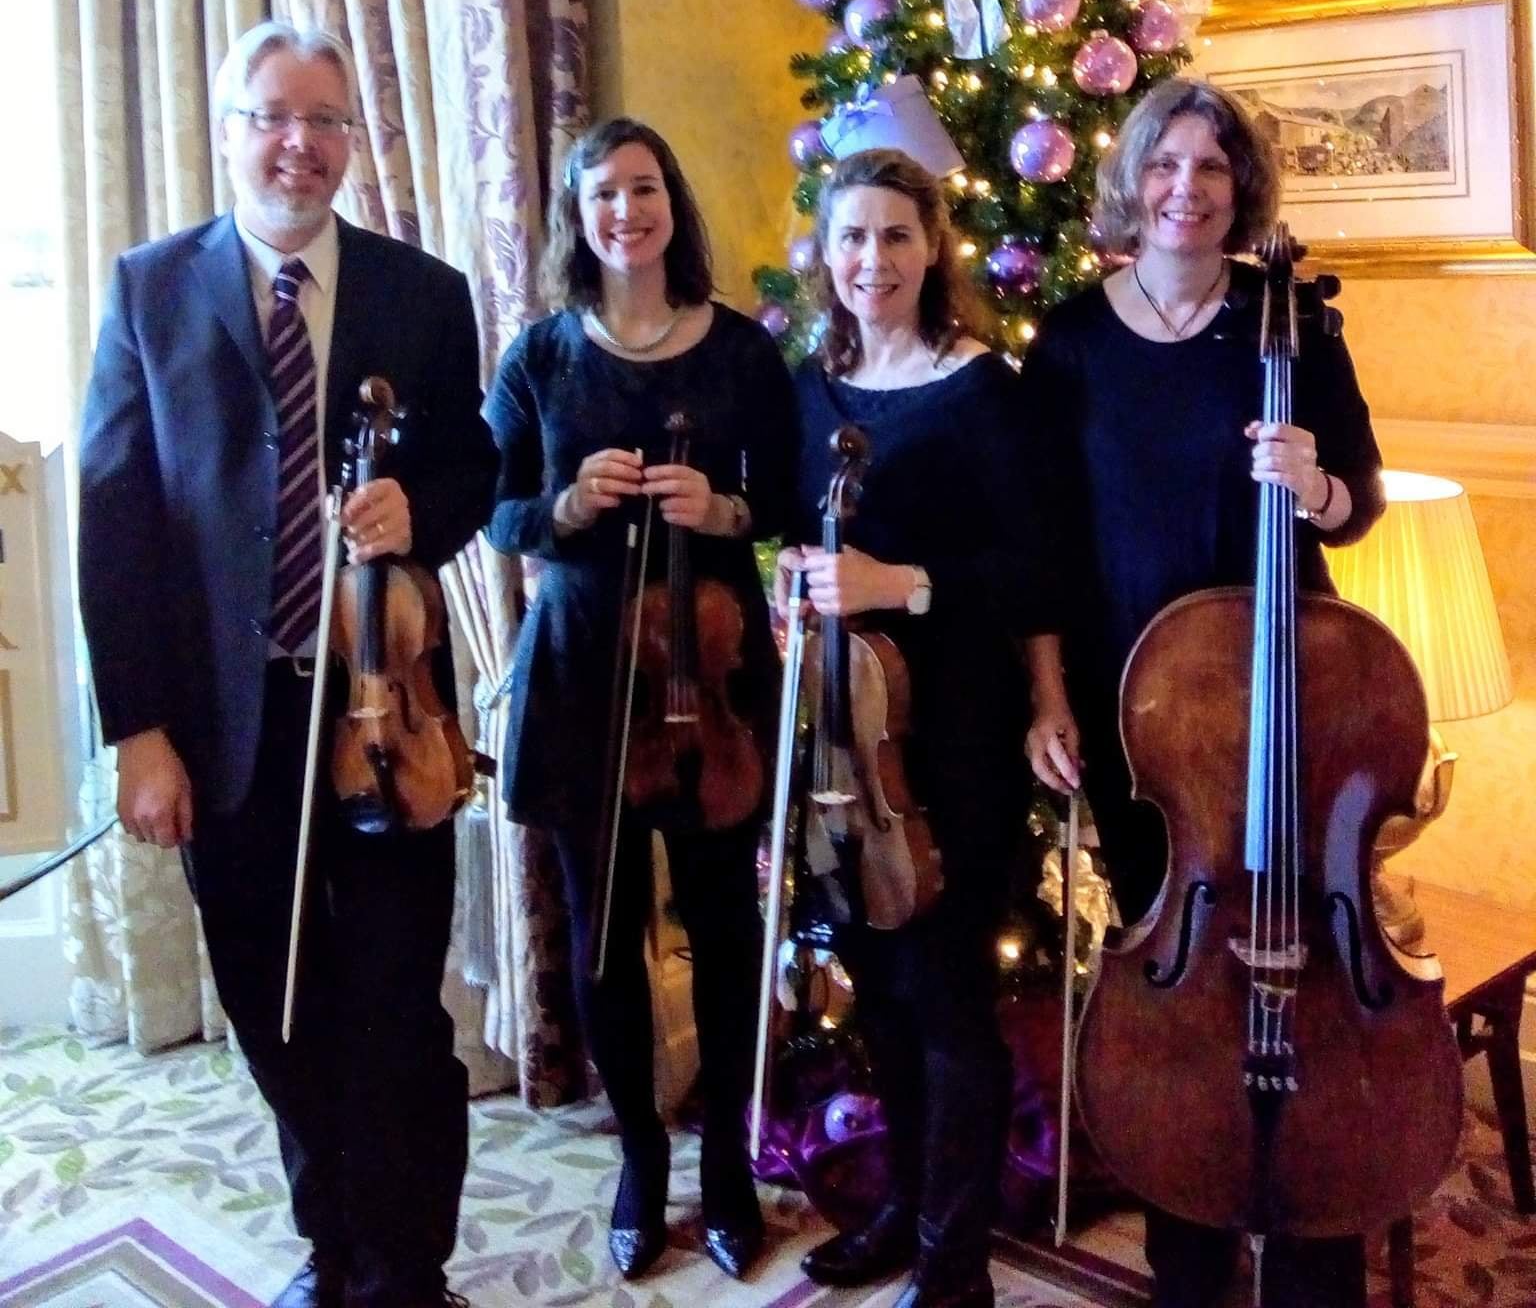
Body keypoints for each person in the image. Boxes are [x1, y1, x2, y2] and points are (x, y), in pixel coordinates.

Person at [78, 21, 497, 1308]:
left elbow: (472, 464)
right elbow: (116, 516)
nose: (298, 145)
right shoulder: (150, 287)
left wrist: (414, 509)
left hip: (382, 703)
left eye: (323, 120)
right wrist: (138, 728)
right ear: (231, 129)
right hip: (228, 716)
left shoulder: (421, 291)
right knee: (278, 1009)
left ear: (349, 142)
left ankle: (410, 1267)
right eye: (273, 116)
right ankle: (340, 1245)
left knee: (395, 1011)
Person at [1019, 77, 1386, 1308]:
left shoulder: (1291, 326)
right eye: (1166, 163)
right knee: (1175, 984)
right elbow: (1044, 543)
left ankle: (1314, 1225)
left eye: (1212, 168)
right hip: (1143, 717)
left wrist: (1315, 482)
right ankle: (1192, 1244)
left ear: (1242, 190)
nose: (1187, 187)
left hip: (1285, 705)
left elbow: (1364, 498)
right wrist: (1048, 694)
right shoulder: (1070, 340)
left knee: (1308, 963)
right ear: (1135, 178)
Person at [483, 117, 797, 1285]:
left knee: (724, 929)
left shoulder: (744, 354)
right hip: (579, 678)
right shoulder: (541, 357)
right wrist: (564, 505)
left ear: (675, 202)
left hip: (707, 683)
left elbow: (782, 499)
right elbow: (496, 507)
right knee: (603, 936)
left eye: (646, 186)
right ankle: (637, 1160)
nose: (628, 209)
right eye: (604, 192)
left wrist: (720, 511)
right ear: (578, 214)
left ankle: (724, 1168)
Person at [778, 147, 1048, 1308]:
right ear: (824, 253)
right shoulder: (812, 384)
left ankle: (956, 1263)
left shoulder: (985, 386)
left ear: (933, 244)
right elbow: (793, 538)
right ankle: (901, 1204)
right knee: (875, 983)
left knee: (944, 992)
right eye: (850, 238)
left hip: (958, 732)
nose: (870, 259)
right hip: (847, 732)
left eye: (894, 235)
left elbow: (1029, 565)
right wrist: (796, 580)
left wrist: (904, 584)